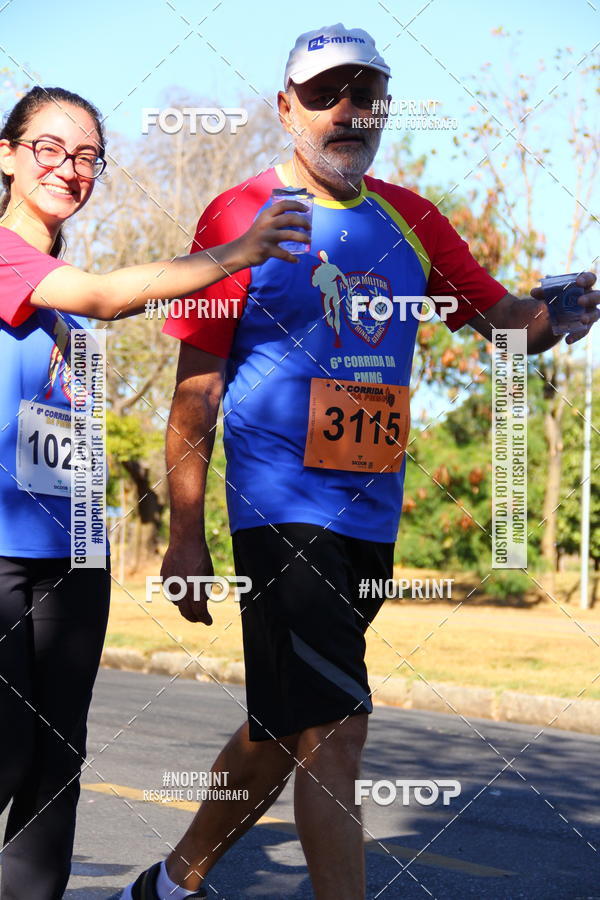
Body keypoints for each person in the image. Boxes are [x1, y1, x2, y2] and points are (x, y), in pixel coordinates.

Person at [115, 22, 600, 900]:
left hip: (369, 517)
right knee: (338, 725)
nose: (350, 112)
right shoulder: (240, 218)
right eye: (327, 93)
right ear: (286, 107)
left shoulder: (411, 219)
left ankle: (169, 885)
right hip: (278, 509)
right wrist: (185, 539)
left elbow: (498, 320)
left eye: (367, 95)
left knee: (286, 721)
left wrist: (558, 315)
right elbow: (196, 391)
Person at [0, 85, 308, 900]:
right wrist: (238, 253)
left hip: (73, 553)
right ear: (6, 155)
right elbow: (107, 292)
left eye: (88, 156)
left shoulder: (68, 290)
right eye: (50, 149)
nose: (70, 168)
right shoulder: (10, 258)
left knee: (56, 762)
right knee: (8, 752)